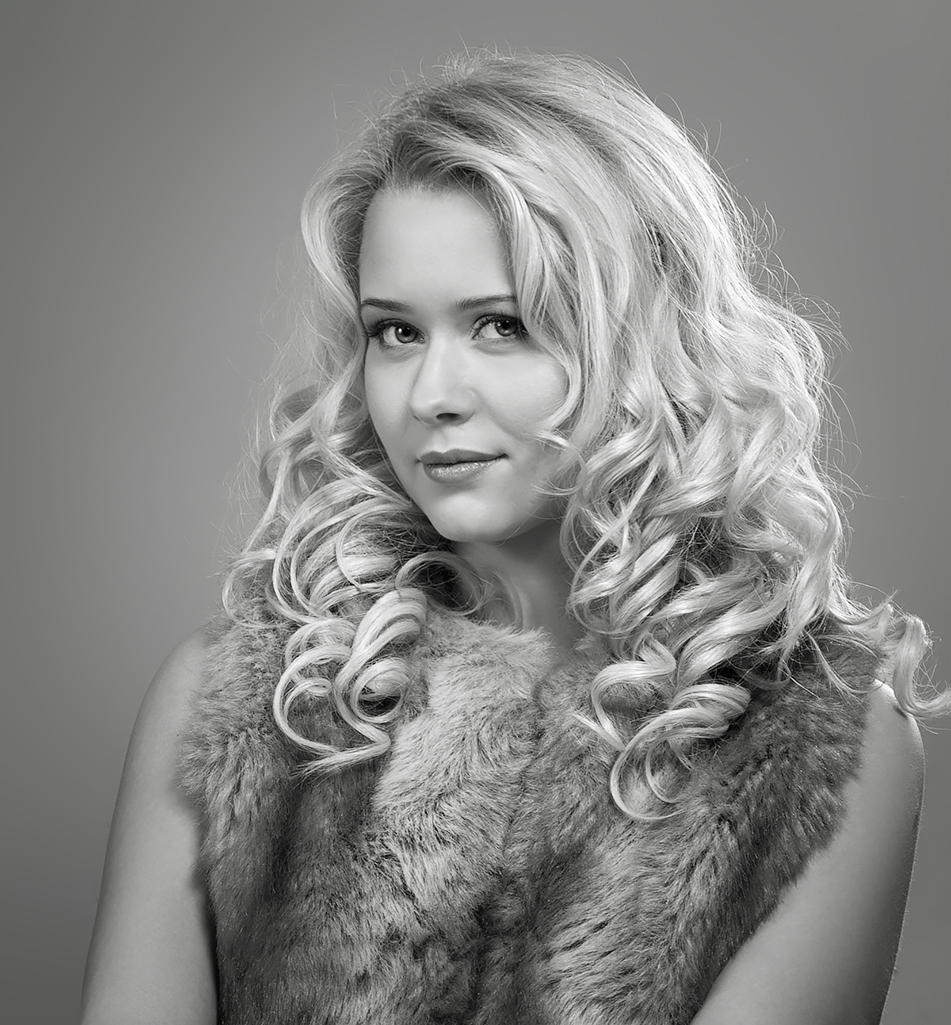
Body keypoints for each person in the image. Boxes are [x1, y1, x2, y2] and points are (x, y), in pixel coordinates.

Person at [80, 50, 946, 1025]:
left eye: (500, 324)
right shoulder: (232, 703)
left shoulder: (826, 738)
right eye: (396, 332)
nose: (432, 394)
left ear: (639, 337)